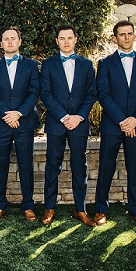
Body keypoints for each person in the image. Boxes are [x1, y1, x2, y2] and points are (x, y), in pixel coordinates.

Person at [94, 21, 136, 228]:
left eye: (130, 34)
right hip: (113, 126)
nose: (126, 37)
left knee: (134, 168)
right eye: (122, 34)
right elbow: (103, 94)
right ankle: (101, 210)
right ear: (115, 38)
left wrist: (135, 120)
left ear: (134, 36)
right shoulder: (105, 63)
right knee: (106, 168)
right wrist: (122, 120)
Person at [40, 25, 97, 226]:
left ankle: (80, 209)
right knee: (52, 166)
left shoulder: (87, 64)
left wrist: (79, 116)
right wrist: (64, 116)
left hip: (79, 124)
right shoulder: (48, 64)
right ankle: (49, 208)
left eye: (69, 38)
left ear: (75, 39)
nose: (66, 41)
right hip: (57, 123)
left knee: (79, 167)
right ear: (56, 41)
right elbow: (45, 94)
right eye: (62, 38)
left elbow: (92, 94)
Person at [0, 27, 41, 221]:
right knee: (0, 164)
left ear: (19, 42)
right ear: (1, 44)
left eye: (13, 39)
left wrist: (18, 113)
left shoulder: (31, 65)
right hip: (1, 123)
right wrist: (6, 114)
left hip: (24, 123)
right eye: (6, 39)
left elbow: (35, 92)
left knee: (26, 164)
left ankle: (28, 205)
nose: (9, 42)